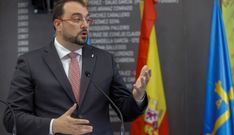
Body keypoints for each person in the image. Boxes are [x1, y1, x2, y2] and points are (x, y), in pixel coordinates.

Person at [3, 0, 151, 134]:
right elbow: (12, 118)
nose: (85, 24)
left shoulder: (105, 60)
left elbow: (125, 112)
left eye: (87, 19)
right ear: (58, 24)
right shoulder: (30, 62)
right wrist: (53, 125)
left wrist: (137, 96)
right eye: (77, 19)